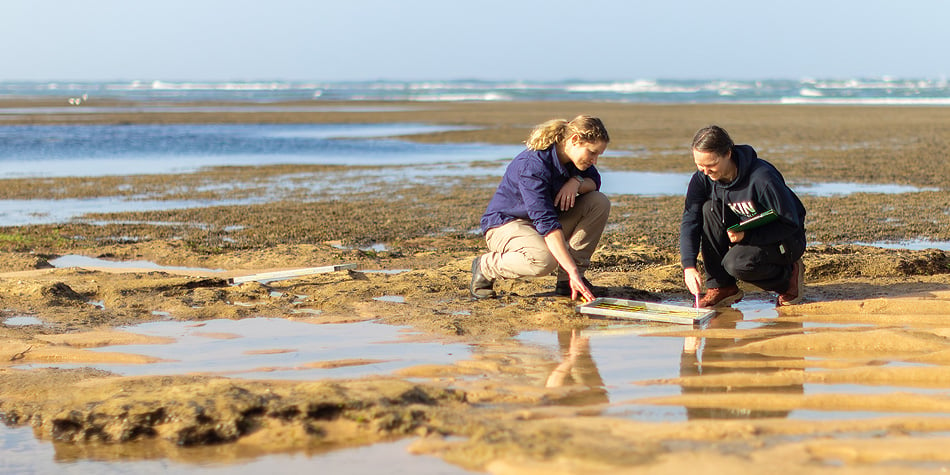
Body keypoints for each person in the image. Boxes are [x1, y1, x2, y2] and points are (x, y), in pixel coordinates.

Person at [471, 115, 611, 301]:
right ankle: (485, 266)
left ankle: (567, 283)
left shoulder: (576, 161)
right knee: (544, 261)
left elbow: (594, 181)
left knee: (598, 202)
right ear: (575, 140)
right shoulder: (533, 166)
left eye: (598, 155)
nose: (594, 160)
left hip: (541, 224)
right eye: (592, 153)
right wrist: (572, 270)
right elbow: (547, 224)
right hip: (506, 225)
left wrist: (575, 182)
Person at [680, 125, 806, 307]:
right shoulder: (703, 179)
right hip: (744, 232)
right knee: (709, 209)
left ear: (728, 153)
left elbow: (790, 223)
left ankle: (788, 278)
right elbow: (690, 220)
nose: (705, 171)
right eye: (699, 165)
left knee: (736, 264)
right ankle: (721, 287)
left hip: (785, 239)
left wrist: (747, 236)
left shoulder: (762, 178)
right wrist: (689, 266)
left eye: (711, 165)